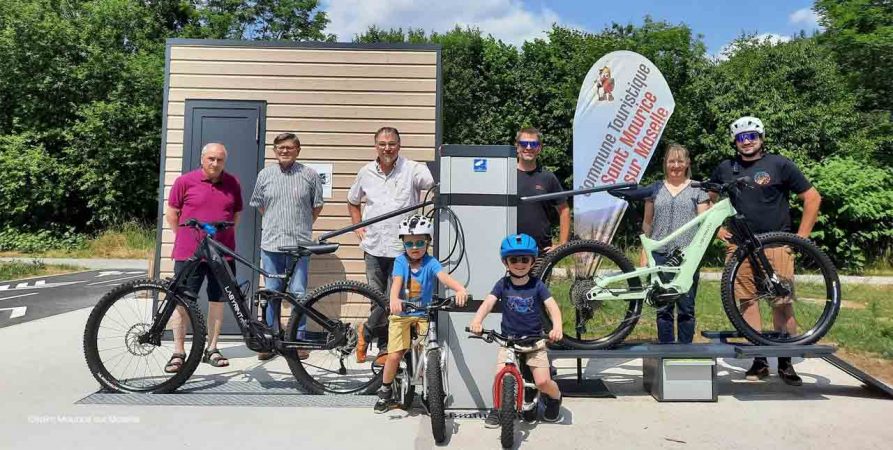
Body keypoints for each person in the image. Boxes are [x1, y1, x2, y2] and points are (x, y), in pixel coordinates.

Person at [710, 116, 821, 386]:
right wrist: (716, 229)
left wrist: (801, 239)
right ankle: (759, 358)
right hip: (740, 247)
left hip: (776, 244)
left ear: (761, 137)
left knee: (781, 302)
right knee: (747, 301)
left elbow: (812, 197)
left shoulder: (779, 164)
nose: (746, 142)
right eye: (741, 138)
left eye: (751, 136)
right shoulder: (726, 167)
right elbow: (708, 199)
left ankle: (786, 361)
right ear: (735, 142)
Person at [348, 127, 435, 365]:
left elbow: (435, 183)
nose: (387, 148)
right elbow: (353, 201)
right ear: (376, 146)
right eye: (383, 144)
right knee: (377, 299)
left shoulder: (413, 169)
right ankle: (384, 349)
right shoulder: (366, 172)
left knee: (393, 300)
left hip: (402, 250)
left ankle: (365, 333)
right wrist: (358, 227)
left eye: (392, 144)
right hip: (374, 246)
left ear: (399, 145)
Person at [374, 215, 468, 413]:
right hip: (402, 314)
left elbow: (443, 277)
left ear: (427, 242)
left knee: (430, 352)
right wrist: (394, 299)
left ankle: (430, 392)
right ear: (404, 244)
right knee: (394, 355)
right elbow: (397, 281)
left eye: (419, 242)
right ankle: (385, 390)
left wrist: (460, 289)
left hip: (424, 313)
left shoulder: (430, 262)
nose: (414, 247)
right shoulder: (400, 262)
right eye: (409, 243)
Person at [469, 234, 564, 426]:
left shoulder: (537, 285)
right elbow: (488, 304)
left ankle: (555, 398)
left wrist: (557, 327)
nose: (519, 264)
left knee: (543, 382)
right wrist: (477, 321)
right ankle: (498, 409)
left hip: (535, 342)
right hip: (509, 342)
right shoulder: (502, 284)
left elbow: (552, 307)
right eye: (514, 259)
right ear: (506, 262)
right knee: (500, 377)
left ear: (532, 261)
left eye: (524, 259)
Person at [164, 143, 242, 372]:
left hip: (223, 254)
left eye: (219, 160)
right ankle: (178, 352)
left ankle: (212, 348)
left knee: (217, 301)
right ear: (202, 159)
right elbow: (172, 214)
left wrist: (223, 238)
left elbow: (236, 214)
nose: (215, 164)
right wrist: (185, 237)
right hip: (189, 254)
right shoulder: (184, 182)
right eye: (211, 159)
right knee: (181, 302)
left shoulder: (233, 183)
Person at [249, 132, 323, 361]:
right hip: (271, 245)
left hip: (299, 247)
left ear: (297, 150)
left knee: (299, 293)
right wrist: (277, 222)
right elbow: (260, 205)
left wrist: (299, 225)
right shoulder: (265, 175)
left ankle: (297, 341)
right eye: (280, 147)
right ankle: (271, 341)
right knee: (272, 293)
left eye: (289, 147)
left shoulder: (309, 175)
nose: (284, 151)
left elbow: (316, 207)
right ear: (274, 150)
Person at [640, 144, 710, 344]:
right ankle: (666, 349)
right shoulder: (655, 188)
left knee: (686, 306)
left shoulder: (698, 189)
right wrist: (645, 252)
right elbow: (647, 222)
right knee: (663, 306)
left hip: (687, 255)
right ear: (665, 164)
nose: (676, 165)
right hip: (660, 254)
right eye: (672, 161)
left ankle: (685, 349)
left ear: (687, 163)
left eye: (680, 161)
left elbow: (705, 224)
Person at [515, 127, 570, 253]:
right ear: (517, 147)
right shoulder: (506, 176)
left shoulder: (548, 178)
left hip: (541, 252)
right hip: (510, 251)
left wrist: (562, 244)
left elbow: (564, 210)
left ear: (539, 148)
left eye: (533, 144)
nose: (528, 147)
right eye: (523, 143)